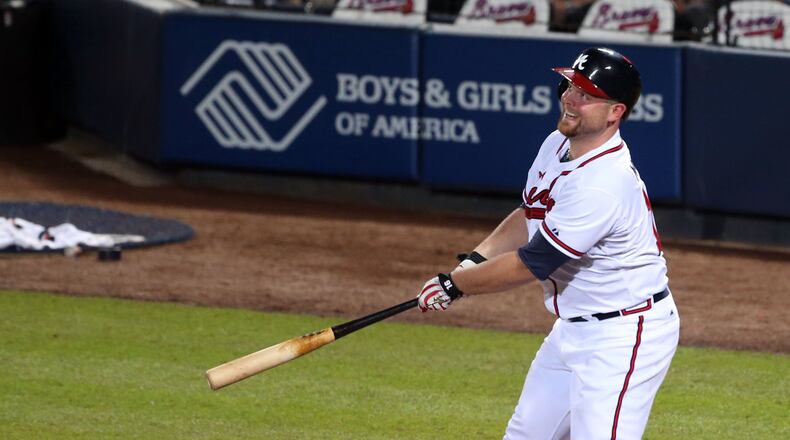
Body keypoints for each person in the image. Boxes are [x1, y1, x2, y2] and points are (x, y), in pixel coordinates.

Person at [417, 47, 680, 440]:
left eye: (587, 95)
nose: (570, 99)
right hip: (572, 328)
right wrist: (473, 260)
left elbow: (531, 262)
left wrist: (455, 286)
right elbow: (530, 213)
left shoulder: (603, 183)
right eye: (570, 86)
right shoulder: (557, 143)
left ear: (615, 112)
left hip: (623, 335)